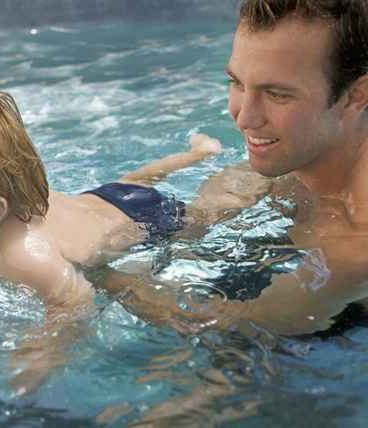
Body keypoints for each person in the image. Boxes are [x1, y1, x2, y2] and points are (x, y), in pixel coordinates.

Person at [0, 87, 226, 393]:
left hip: (146, 219)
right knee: (135, 180)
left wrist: (45, 350)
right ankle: (197, 154)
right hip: (103, 199)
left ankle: (228, 174)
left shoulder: (24, 255)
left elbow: (76, 300)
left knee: (206, 214)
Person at [100, 0, 368, 338]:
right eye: (237, 83)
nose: (244, 118)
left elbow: (240, 323)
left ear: (356, 96)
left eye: (277, 94)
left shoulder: (357, 245)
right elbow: (197, 220)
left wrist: (99, 275)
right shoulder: (293, 155)